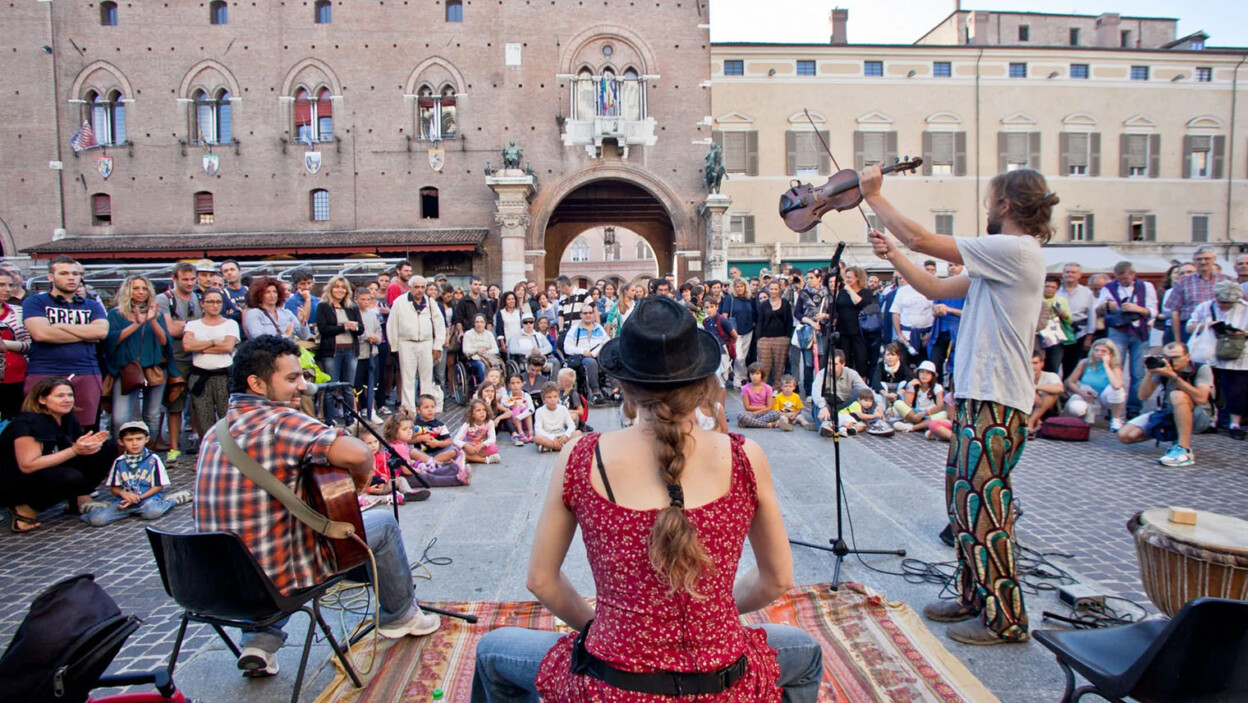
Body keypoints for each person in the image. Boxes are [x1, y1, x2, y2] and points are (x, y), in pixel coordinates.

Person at [472, 295, 823, 702]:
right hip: (722, 681)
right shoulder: (747, 458)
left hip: (613, 684)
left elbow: (541, 580)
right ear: (705, 383)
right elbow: (777, 579)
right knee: (805, 651)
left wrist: (606, 625)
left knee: (492, 650)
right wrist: (717, 613)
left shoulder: (581, 457)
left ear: (623, 385)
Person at [863, 164, 1056, 645]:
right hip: (978, 396)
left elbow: (924, 238)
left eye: (992, 202)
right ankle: (975, 597)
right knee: (964, 502)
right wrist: (894, 255)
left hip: (997, 400)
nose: (987, 210)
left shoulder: (1016, 250)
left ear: (1007, 206)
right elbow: (932, 288)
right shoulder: (1002, 260)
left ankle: (1005, 620)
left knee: (984, 507)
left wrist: (875, 196)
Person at [195, 336, 441, 677]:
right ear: (257, 383)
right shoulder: (279, 421)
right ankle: (400, 616)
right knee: (382, 523)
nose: (303, 386)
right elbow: (361, 453)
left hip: (215, 582)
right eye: (292, 378)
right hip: (274, 578)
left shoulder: (215, 432)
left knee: (261, 538)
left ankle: (259, 640)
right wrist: (356, 485)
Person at [1, 377, 117, 533]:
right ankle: (23, 508)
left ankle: (78, 498)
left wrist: (89, 446)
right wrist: (75, 450)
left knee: (107, 447)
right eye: (60, 396)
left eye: (70, 395)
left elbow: (72, 448)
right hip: (12, 479)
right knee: (70, 476)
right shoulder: (28, 423)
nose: (67, 400)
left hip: (46, 467)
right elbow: (28, 465)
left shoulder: (66, 418)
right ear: (42, 399)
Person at [22, 255, 109, 433]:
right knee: (39, 426)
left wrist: (58, 326)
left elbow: (100, 332)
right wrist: (85, 333)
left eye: (75, 273)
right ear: (50, 277)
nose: (71, 278)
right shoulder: (35, 302)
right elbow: (41, 333)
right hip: (44, 370)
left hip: (85, 371)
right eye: (64, 273)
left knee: (83, 429)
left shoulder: (92, 305)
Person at [1116, 342, 1214, 467]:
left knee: (1177, 395)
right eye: (1167, 357)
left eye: (1176, 357)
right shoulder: (1164, 368)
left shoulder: (1201, 369)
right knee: (1125, 435)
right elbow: (1142, 396)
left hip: (1199, 416)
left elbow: (1201, 398)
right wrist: (1150, 372)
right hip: (1169, 413)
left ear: (1187, 357)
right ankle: (1168, 432)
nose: (1171, 361)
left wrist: (1174, 377)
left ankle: (1184, 450)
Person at [81, 421, 190, 527]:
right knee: (98, 520)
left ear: (146, 439)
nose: (134, 443)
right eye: (129, 440)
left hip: (148, 500)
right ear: (121, 442)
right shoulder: (119, 461)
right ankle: (102, 506)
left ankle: (171, 500)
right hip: (125, 501)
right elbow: (114, 488)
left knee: (152, 512)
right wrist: (124, 495)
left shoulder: (153, 459)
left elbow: (158, 486)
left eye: (139, 439)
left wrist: (138, 497)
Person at [104, 275, 171, 441]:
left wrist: (152, 320)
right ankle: (121, 451)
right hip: (127, 369)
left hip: (154, 368)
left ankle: (150, 451)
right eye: (136, 288)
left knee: (152, 415)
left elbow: (164, 341)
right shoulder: (115, 314)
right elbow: (111, 340)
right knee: (120, 417)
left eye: (144, 288)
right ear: (127, 291)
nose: (141, 292)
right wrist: (137, 323)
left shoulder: (156, 313)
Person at [1186, 280, 1248, 439]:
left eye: (1229, 303)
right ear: (1215, 296)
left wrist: (1241, 333)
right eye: (1222, 302)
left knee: (1236, 391)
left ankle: (1234, 424)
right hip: (1209, 354)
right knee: (1210, 390)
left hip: (1237, 357)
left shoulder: (1245, 308)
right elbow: (1189, 327)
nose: (1225, 306)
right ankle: (1210, 421)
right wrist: (1209, 325)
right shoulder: (1205, 307)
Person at [1096, 261, 1157, 419]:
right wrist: (1107, 306)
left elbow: (1153, 310)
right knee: (1114, 370)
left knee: (1138, 373)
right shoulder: (1109, 287)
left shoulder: (1146, 287)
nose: (1122, 282)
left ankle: (1133, 409)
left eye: (1125, 278)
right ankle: (1112, 407)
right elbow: (1098, 310)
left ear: (1132, 274)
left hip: (1139, 331)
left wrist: (1137, 309)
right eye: (1119, 279)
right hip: (1117, 330)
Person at [182, 289, 239, 435]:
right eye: (211, 301)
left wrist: (200, 347)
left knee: (227, 418)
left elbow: (227, 347)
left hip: (224, 375)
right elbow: (188, 346)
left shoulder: (230, 323)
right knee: (203, 419)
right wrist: (214, 342)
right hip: (200, 375)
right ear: (202, 304)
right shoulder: (193, 325)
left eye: (218, 301)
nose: (215, 305)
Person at [387, 275, 447, 413]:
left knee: (427, 378)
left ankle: (426, 408)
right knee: (407, 379)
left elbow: (439, 324)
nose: (420, 290)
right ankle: (409, 409)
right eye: (416, 287)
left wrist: (437, 345)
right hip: (406, 342)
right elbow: (392, 325)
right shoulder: (399, 302)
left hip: (426, 343)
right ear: (410, 287)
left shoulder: (431, 302)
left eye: (422, 287)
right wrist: (394, 346)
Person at [315, 276, 363, 424]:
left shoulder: (352, 306)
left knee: (349, 387)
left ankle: (350, 419)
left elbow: (361, 329)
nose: (340, 290)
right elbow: (323, 329)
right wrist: (343, 327)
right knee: (332, 388)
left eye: (343, 287)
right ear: (330, 289)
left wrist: (355, 328)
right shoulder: (323, 306)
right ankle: (329, 420)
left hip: (350, 350)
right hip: (331, 352)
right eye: (337, 287)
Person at [1167, 245, 1233, 344]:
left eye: (1207, 258)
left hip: (1221, 328)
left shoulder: (1228, 281)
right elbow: (1175, 313)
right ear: (1194, 261)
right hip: (1191, 328)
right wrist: (1177, 340)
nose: (1203, 262)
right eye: (1199, 259)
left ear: (1214, 259)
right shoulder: (1183, 283)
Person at [1064, 338, 1126, 430]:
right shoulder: (1085, 362)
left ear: (1110, 353)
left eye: (1103, 351)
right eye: (1096, 350)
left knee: (1119, 391)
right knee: (1076, 408)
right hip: (1088, 395)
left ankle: (1116, 419)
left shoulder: (1115, 366)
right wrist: (1081, 393)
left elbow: (1117, 385)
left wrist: (1106, 366)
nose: (1099, 353)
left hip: (1105, 397)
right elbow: (1070, 382)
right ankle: (1083, 418)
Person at [809, 350, 872, 437]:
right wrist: (822, 406)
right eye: (829, 363)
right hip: (827, 405)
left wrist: (878, 406)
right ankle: (826, 426)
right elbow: (816, 391)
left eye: (835, 364)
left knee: (866, 395)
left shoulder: (851, 373)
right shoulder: (822, 374)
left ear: (843, 364)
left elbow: (865, 390)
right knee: (817, 402)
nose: (831, 367)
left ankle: (876, 422)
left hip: (843, 405)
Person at [562, 306, 612, 405]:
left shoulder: (599, 328)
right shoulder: (575, 329)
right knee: (591, 362)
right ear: (581, 315)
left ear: (593, 314)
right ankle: (595, 393)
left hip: (598, 356)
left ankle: (615, 391)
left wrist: (597, 351)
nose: (588, 315)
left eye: (590, 313)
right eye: (585, 313)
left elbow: (607, 343)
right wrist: (582, 351)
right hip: (582, 358)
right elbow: (567, 347)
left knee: (612, 360)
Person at [834, 265, 876, 379]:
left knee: (861, 358)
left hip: (859, 331)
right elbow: (837, 307)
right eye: (846, 277)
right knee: (845, 358)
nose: (847, 280)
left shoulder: (865, 292)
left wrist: (850, 290)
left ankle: (862, 384)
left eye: (849, 277)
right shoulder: (843, 292)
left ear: (857, 278)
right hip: (843, 330)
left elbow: (860, 303)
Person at [1056, 263, 1097, 378]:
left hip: (1078, 333)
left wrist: (1089, 337)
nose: (1070, 274)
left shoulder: (1086, 293)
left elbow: (1092, 315)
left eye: (1073, 272)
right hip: (1057, 332)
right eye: (1067, 272)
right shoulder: (1055, 290)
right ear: (1062, 274)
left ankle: (1068, 392)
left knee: (1072, 366)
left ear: (1079, 275)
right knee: (1053, 365)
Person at [927, 263, 964, 388]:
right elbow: (933, 310)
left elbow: (970, 313)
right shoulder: (942, 286)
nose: (953, 267)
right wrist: (937, 312)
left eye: (955, 265)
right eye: (950, 265)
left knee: (956, 365)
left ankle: (955, 395)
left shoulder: (967, 287)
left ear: (962, 267)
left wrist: (949, 309)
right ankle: (936, 393)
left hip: (958, 332)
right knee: (935, 364)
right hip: (940, 331)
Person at [0, 269, 30, 421]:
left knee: (15, 422)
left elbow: (30, 345)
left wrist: (7, 344)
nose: (7, 289)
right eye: (1, 285)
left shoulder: (19, 312)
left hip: (17, 377)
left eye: (10, 285)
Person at [891, 360, 948, 433]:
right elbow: (907, 404)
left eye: (928, 373)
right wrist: (910, 387)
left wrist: (925, 413)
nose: (924, 375)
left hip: (929, 414)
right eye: (922, 372)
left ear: (932, 375)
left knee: (944, 414)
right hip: (915, 413)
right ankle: (923, 425)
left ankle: (913, 427)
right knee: (898, 403)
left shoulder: (937, 387)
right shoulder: (914, 385)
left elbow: (940, 406)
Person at [754, 281, 793, 388]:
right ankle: (763, 388)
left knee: (779, 367)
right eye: (771, 289)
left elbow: (789, 321)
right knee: (764, 366)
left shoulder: (785, 304)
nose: (773, 291)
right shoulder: (764, 305)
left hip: (782, 339)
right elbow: (760, 322)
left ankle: (776, 388)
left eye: (775, 289)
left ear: (779, 290)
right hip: (765, 339)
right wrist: (759, 338)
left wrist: (788, 337)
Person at [355, 287, 384, 424]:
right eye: (363, 299)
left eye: (369, 299)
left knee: (371, 383)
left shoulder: (372, 315)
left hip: (372, 353)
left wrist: (376, 338)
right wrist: (366, 336)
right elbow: (355, 332)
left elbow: (379, 331)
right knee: (357, 385)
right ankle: (357, 411)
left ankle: (371, 410)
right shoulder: (353, 314)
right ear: (356, 300)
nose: (366, 302)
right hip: (358, 354)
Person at [891, 275, 934, 365]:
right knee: (903, 364)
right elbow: (895, 313)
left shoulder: (930, 289)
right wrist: (899, 334)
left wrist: (930, 333)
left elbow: (935, 312)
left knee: (925, 364)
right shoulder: (902, 291)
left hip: (926, 335)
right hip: (906, 335)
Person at [532, 382, 580, 453]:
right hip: (548, 437)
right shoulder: (539, 411)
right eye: (549, 397)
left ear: (558, 397)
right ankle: (562, 447)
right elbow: (538, 430)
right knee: (536, 438)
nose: (552, 400)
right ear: (544, 399)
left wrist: (566, 435)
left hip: (561, 436)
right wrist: (552, 437)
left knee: (578, 433)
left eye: (555, 396)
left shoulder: (563, 409)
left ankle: (550, 447)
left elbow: (571, 425)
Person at [1026, 349, 1065, 436]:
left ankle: (1031, 422)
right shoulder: (1022, 377)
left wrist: (1034, 387)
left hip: (1048, 409)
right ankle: (1036, 420)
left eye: (1035, 363)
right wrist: (1033, 394)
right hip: (1027, 408)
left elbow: (1060, 388)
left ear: (1042, 364)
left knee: (1051, 394)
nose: (1032, 367)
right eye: (1030, 364)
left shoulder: (1050, 375)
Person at [736, 362, 784, 430]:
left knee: (776, 413)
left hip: (765, 413)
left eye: (757, 374)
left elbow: (769, 407)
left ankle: (748, 424)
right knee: (740, 414)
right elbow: (747, 407)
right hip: (751, 414)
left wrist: (758, 411)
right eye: (752, 374)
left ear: (762, 375)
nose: (754, 376)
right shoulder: (745, 388)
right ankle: (769, 425)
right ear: (749, 375)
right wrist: (763, 407)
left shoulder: (768, 388)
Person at [455, 399, 502, 464]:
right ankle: (485, 460)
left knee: (494, 448)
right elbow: (456, 440)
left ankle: (469, 458)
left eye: (484, 410)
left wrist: (482, 445)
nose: (482, 412)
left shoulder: (489, 423)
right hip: (469, 448)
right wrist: (466, 445)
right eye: (478, 410)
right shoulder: (467, 425)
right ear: (472, 414)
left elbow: (492, 438)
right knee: (455, 450)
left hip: (480, 448)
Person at [462, 313, 502, 386]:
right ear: (474, 323)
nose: (479, 324)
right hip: (474, 359)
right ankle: (485, 385)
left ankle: (497, 385)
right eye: (477, 322)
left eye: (481, 322)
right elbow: (465, 350)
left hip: (488, 357)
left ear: (485, 323)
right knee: (481, 365)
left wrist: (486, 352)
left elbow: (496, 349)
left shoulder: (489, 334)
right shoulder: (468, 334)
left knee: (497, 365)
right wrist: (477, 350)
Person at [283, 269, 319, 339]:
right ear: (296, 285)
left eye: (309, 283)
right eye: (302, 284)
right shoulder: (290, 302)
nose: (306, 287)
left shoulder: (318, 300)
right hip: (302, 340)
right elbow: (302, 325)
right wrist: (307, 300)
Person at [504, 373, 536, 444]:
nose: (515, 385)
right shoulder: (507, 396)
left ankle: (530, 432)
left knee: (526, 409)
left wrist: (519, 417)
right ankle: (521, 433)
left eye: (518, 383)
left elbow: (532, 409)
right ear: (509, 385)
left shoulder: (526, 395)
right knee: (515, 408)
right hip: (514, 422)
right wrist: (510, 406)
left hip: (524, 421)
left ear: (522, 384)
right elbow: (504, 406)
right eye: (513, 383)